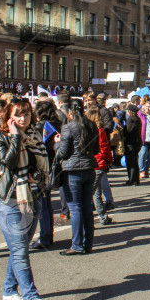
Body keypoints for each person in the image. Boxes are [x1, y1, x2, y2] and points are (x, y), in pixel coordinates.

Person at [0, 99, 49, 300]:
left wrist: (38, 178)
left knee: (18, 250)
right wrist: (15, 136)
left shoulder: (35, 136)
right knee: (21, 251)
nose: (23, 119)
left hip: (33, 198)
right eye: (18, 114)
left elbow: (43, 166)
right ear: (9, 116)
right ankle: (32, 297)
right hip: (10, 202)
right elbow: (8, 161)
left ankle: (8, 290)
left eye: (27, 114)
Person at [55, 99, 100, 255]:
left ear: (70, 112)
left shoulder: (68, 127)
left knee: (75, 208)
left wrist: (56, 143)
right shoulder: (92, 125)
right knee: (87, 207)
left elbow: (63, 153)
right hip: (89, 169)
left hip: (72, 170)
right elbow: (96, 150)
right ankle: (87, 244)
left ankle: (77, 245)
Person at [31, 99, 62, 250]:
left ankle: (45, 237)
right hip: (52, 165)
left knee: (42, 205)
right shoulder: (57, 124)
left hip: (41, 167)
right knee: (47, 204)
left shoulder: (40, 126)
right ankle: (47, 235)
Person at [86, 105, 114, 226]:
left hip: (90, 164)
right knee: (92, 193)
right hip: (98, 163)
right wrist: (109, 160)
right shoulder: (99, 130)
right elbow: (104, 147)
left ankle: (102, 217)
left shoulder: (85, 129)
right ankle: (90, 221)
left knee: (95, 192)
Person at [123, 105, 142, 186]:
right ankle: (136, 180)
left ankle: (132, 179)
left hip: (131, 143)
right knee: (134, 161)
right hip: (137, 143)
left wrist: (122, 130)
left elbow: (127, 132)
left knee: (131, 162)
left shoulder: (131, 120)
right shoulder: (138, 119)